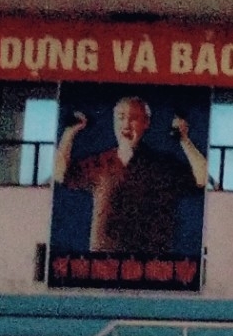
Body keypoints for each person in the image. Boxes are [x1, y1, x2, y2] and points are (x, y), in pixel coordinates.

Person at [55, 95, 208, 253]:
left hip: (151, 261)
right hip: (104, 260)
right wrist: (69, 132)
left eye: (134, 118)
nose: (126, 124)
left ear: (146, 123)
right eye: (121, 118)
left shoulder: (163, 165)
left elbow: (202, 178)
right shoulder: (100, 163)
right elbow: (60, 174)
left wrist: (184, 139)